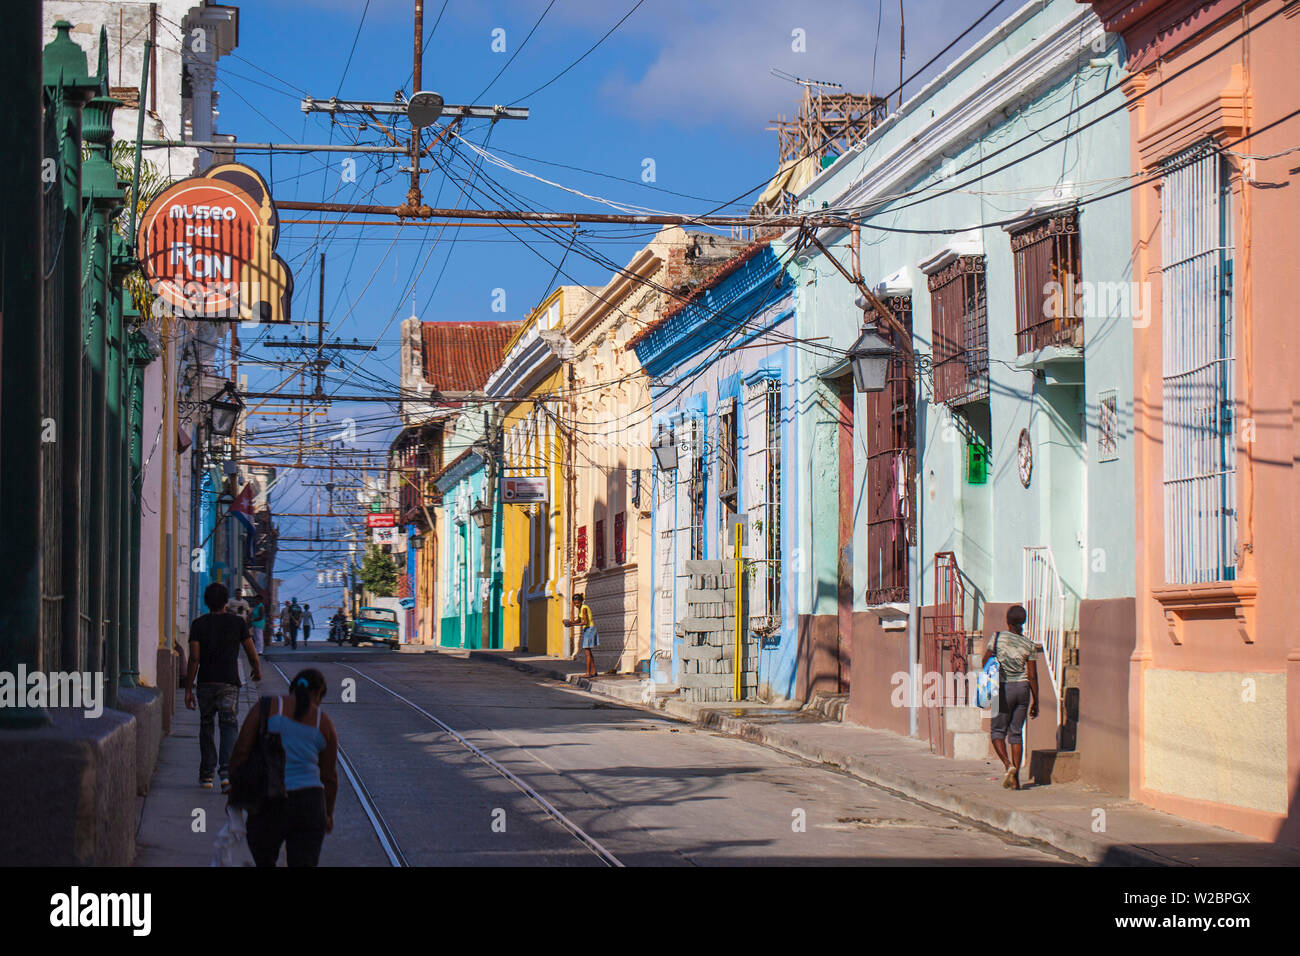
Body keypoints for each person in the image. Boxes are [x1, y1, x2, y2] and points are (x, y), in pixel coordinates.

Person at [229, 668, 338, 867]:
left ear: (293, 688)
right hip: (309, 804)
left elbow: (241, 750)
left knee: (261, 860)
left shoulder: (267, 706)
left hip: (269, 799)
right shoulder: (324, 722)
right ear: (317, 694)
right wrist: (328, 814)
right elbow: (329, 777)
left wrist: (235, 793)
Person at [185, 581, 262, 792]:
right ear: (225, 603)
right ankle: (227, 774)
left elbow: (194, 658)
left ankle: (206, 776)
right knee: (229, 726)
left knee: (206, 726)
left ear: (206, 602)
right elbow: (250, 650)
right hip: (229, 683)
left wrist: (189, 688)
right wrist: (257, 668)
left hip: (206, 683)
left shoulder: (198, 624)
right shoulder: (237, 624)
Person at [981, 604, 1040, 790]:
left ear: (1007, 621)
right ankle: (1016, 781)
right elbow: (1032, 675)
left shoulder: (997, 638)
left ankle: (1008, 765)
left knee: (997, 733)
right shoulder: (1029, 645)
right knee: (1016, 733)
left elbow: (986, 661)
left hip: (1003, 688)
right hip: (1022, 689)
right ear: (1023, 622)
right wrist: (1036, 700)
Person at [563, 593, 598, 678]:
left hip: (589, 629)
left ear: (581, 601)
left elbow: (585, 622)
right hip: (588, 629)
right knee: (589, 652)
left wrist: (572, 625)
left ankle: (588, 673)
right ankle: (593, 671)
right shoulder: (581, 608)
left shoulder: (584, 609)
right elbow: (579, 619)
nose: (576, 605)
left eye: (577, 603)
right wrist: (570, 622)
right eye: (574, 603)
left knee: (587, 653)